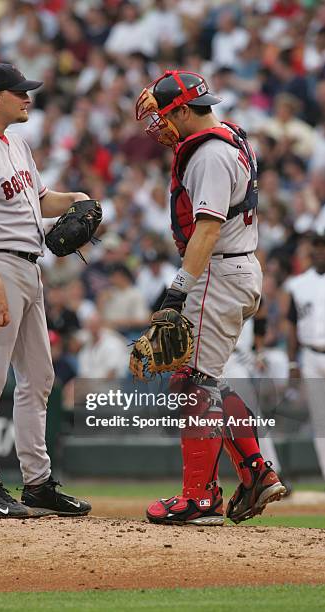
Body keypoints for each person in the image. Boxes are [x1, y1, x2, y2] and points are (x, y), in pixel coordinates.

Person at [135, 69, 285, 525]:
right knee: (207, 380)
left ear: (183, 109)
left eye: (163, 115)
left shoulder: (209, 156)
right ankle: (256, 472)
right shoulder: (226, 137)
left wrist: (176, 293)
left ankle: (199, 499)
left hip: (218, 272)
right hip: (232, 268)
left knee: (192, 384)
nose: (158, 126)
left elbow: (207, 228)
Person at [0, 63, 91, 519]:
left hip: (28, 266)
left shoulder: (17, 142)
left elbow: (39, 199)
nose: (27, 98)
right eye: (19, 92)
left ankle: (38, 483)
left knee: (39, 378)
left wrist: (77, 200)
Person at [286, 231, 325, 484]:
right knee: (320, 423)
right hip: (310, 354)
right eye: (318, 248)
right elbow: (291, 325)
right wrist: (292, 362)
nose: (321, 252)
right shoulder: (298, 285)